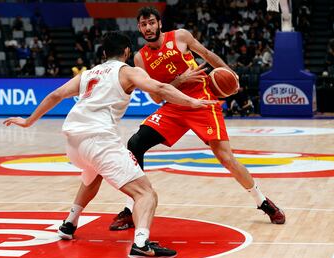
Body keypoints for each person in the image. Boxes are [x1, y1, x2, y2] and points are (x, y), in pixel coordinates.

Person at [61, 6, 285, 234]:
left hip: (202, 100)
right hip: (174, 106)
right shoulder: (140, 58)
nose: (148, 28)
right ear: (139, 28)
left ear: (159, 23)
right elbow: (157, 96)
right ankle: (131, 208)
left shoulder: (180, 36)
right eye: (143, 24)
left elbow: (207, 55)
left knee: (225, 157)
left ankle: (262, 201)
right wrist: (179, 80)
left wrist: (229, 73)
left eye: (151, 22)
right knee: (136, 143)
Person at [3, 31, 216, 258]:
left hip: (73, 144)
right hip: (98, 141)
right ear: (126, 52)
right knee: (146, 194)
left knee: (93, 175)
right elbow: (160, 89)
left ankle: (69, 224)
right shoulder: (129, 72)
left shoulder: (88, 74)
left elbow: (56, 95)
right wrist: (192, 102)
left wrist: (28, 121)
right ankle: (141, 244)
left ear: (104, 53)